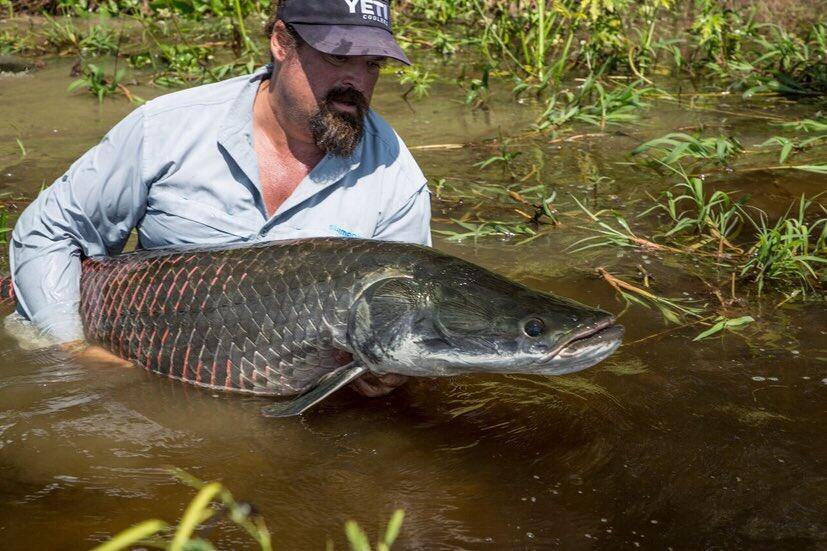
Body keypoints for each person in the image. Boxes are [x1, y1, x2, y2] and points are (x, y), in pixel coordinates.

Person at [9, 0, 429, 397]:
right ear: (282, 42)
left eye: (372, 65)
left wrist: (392, 372)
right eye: (338, 58)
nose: (356, 82)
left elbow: (409, 309)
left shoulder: (395, 176)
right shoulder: (165, 129)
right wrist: (70, 345)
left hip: (304, 406)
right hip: (149, 375)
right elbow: (50, 231)